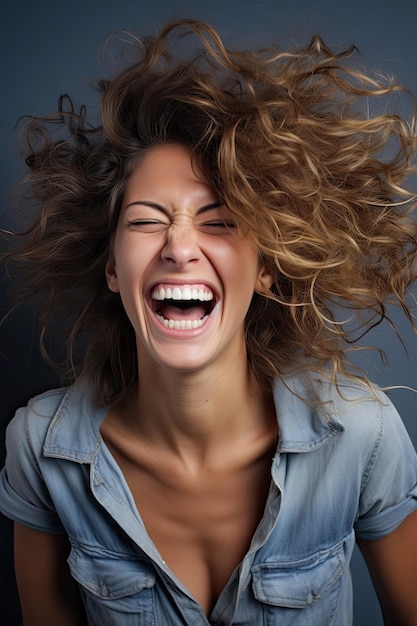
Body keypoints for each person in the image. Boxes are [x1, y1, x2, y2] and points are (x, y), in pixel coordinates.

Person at [1, 17, 417, 626]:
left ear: (268, 268)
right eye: (146, 220)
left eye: (219, 221)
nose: (178, 246)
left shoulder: (362, 435)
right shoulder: (40, 450)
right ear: (113, 266)